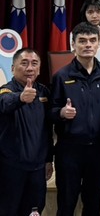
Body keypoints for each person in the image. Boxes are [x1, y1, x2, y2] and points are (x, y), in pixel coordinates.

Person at [51, 22, 100, 216]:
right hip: (69, 150)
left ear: (98, 44)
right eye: (82, 41)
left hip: (99, 150)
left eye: (92, 40)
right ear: (73, 44)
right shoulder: (61, 76)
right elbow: (50, 112)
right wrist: (61, 113)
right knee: (66, 204)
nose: (88, 45)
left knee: (93, 204)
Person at [0, 48, 53, 216]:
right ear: (12, 68)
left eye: (34, 63)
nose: (30, 68)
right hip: (11, 168)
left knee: (34, 212)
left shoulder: (44, 92)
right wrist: (21, 97)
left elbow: (47, 130)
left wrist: (48, 159)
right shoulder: (6, 90)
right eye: (24, 63)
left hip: (38, 169)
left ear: (39, 69)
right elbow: (4, 102)